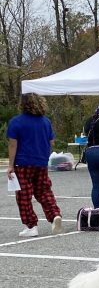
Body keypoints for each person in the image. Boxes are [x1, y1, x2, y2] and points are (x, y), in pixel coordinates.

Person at [6, 93, 65, 237]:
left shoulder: (16, 122)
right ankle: (54, 215)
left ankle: (31, 225)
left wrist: (10, 165)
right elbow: (51, 142)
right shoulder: (46, 121)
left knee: (24, 195)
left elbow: (13, 145)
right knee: (44, 191)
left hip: (22, 163)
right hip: (41, 162)